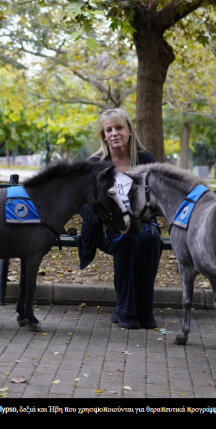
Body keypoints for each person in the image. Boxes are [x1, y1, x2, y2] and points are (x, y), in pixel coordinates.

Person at [76, 108, 162, 329]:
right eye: (109, 129)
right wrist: (108, 218)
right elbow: (83, 205)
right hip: (107, 228)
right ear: (104, 136)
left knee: (150, 240)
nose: (114, 133)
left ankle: (145, 310)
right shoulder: (96, 163)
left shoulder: (144, 159)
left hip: (141, 225)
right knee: (128, 240)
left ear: (130, 131)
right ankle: (125, 310)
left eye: (119, 128)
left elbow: (154, 198)